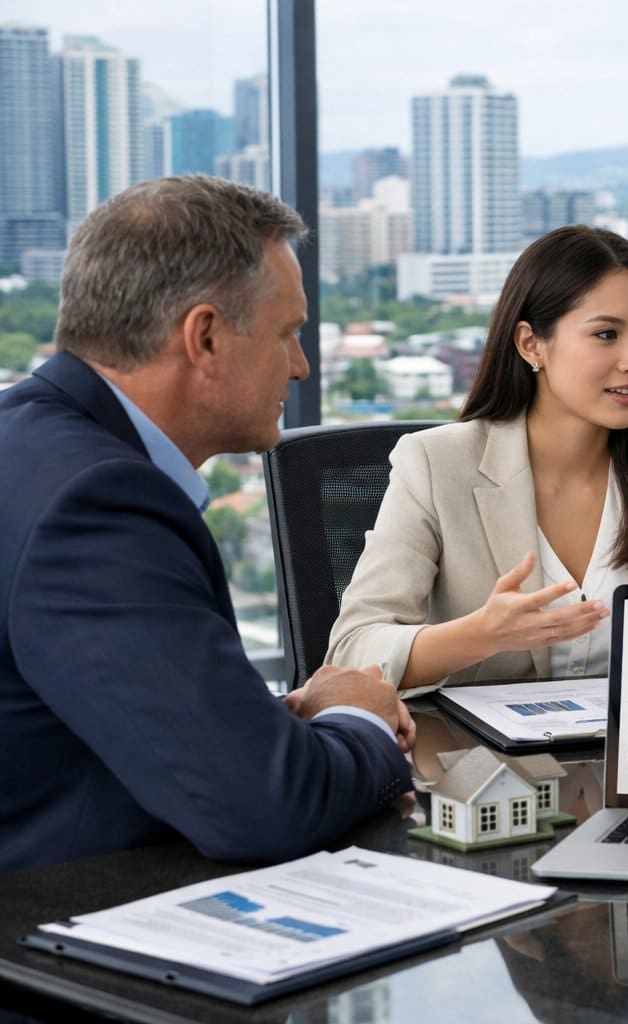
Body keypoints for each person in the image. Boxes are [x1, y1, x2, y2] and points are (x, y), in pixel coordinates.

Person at [0, 176, 415, 873]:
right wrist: (362, 716)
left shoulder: (28, 439)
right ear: (206, 337)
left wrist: (267, 719)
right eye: (287, 334)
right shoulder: (99, 504)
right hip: (56, 937)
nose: (301, 365)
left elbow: (115, 704)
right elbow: (265, 809)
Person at [328, 226, 628, 694]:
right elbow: (352, 651)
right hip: (480, 763)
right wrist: (479, 636)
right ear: (531, 345)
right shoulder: (436, 464)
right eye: (606, 334)